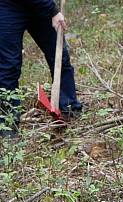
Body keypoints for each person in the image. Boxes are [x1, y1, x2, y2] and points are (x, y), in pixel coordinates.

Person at [0, 0, 83, 137]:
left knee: (60, 58)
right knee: (8, 67)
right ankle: (8, 125)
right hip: (8, 6)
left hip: (41, 7)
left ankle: (69, 109)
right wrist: (53, 11)